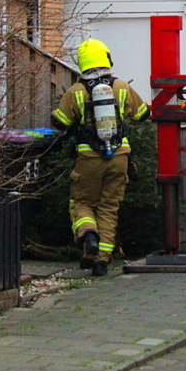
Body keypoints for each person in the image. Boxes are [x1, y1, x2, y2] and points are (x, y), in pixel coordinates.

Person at [51, 39, 148, 275]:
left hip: (89, 156)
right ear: (106, 58)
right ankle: (101, 260)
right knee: (108, 207)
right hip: (119, 155)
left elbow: (60, 122)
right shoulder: (122, 87)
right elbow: (142, 114)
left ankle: (87, 234)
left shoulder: (76, 92)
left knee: (82, 203)